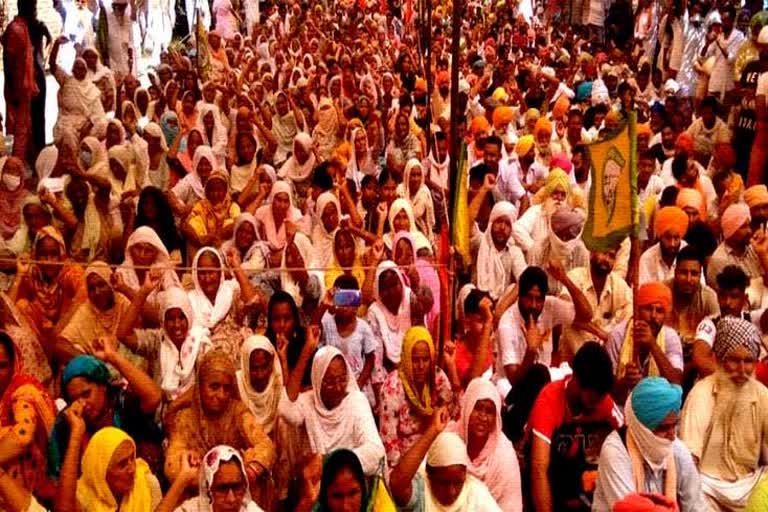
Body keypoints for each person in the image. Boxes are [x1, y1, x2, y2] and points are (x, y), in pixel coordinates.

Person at [164, 350, 275, 503]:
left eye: (227, 388)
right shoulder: (185, 418)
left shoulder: (237, 412)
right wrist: (189, 459)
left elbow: (266, 445)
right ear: (200, 387)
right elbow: (172, 466)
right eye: (214, 387)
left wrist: (249, 469)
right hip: (199, 497)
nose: (221, 395)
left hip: (235, 495)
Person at [681, 317, 768, 510]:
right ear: (719, 360)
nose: (742, 370)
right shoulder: (701, 393)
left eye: (748, 361)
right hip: (708, 488)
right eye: (734, 360)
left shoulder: (762, 395)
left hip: (749, 485)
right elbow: (689, 461)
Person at [528, 342, 623, 512]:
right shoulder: (548, 400)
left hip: (584, 492)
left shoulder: (604, 402)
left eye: (601, 399)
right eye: (593, 400)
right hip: (549, 487)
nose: (597, 405)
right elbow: (538, 470)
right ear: (576, 381)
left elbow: (630, 439)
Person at [592, 377, 705, 512]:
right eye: (663, 428)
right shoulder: (615, 451)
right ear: (641, 427)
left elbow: (697, 507)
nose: (672, 435)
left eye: (674, 426)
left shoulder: (676, 449)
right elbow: (627, 509)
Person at [278, 344, 385, 476]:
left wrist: (327, 461)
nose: (338, 387)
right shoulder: (308, 402)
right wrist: (307, 350)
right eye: (329, 382)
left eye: (342, 379)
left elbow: (375, 451)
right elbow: (285, 409)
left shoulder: (356, 401)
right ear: (317, 380)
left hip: (351, 482)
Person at [496, 262, 594, 387]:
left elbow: (586, 315)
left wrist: (565, 279)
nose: (533, 305)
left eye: (538, 299)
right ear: (519, 296)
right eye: (529, 298)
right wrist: (530, 350)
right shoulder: (507, 324)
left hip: (544, 378)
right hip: (510, 387)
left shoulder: (550, 306)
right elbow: (514, 381)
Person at [389, 412, 502, 511]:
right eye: (444, 483)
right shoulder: (421, 492)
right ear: (429, 475)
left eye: (458, 483)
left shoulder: (475, 494)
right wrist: (433, 430)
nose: (451, 492)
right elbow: (396, 482)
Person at [378, 326, 455, 469]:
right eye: (415, 360)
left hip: (435, 451)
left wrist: (452, 368)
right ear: (406, 357)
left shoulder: (436, 376)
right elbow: (390, 443)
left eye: (425, 359)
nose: (421, 366)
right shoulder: (392, 387)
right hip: (406, 461)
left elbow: (454, 411)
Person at [446, 378, 523, 510]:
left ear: (496, 417)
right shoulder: (448, 438)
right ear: (467, 408)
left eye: (489, 411)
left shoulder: (504, 453)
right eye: (478, 408)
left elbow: (510, 505)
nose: (483, 417)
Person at [0, 332, 55, 506]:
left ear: (13, 365)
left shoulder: (25, 391)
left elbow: (22, 437)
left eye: (1, 366)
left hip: (32, 492)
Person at [606, 282, 684, 403]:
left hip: (657, 408)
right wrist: (625, 382)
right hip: (623, 406)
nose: (653, 316)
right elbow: (607, 390)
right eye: (648, 308)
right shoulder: (618, 335)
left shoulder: (671, 337)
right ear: (637, 311)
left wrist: (652, 344)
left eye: (659, 311)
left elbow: (676, 383)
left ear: (666, 316)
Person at [559, 247, 633, 362]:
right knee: (569, 321)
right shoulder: (576, 276)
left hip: (605, 346)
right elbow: (564, 310)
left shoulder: (617, 283)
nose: (607, 260)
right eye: (604, 253)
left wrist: (611, 331)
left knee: (630, 312)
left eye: (611, 256)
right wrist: (599, 333)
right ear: (592, 253)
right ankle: (592, 362)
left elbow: (631, 309)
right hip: (576, 352)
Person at [159, 444, 266, 512]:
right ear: (208, 489)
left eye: (236, 487)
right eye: (222, 489)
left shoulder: (249, 509)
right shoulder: (194, 509)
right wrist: (183, 478)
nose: (231, 499)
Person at [2, 0, 44, 164]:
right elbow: (7, 60)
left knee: (25, 128)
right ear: (25, 9)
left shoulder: (22, 26)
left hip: (23, 88)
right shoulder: (15, 29)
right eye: (33, 8)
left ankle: (20, 164)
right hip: (16, 89)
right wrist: (13, 89)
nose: (35, 11)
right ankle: (14, 167)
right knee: (17, 130)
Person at [664, 245, 719, 346]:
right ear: (675, 272)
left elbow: (717, 334)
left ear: (700, 275)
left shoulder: (708, 297)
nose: (688, 279)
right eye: (684, 273)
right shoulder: (663, 292)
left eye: (694, 274)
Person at [707, 203, 766, 287]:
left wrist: (763, 254)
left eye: (749, 225)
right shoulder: (719, 260)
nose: (749, 231)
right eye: (743, 227)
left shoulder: (753, 248)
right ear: (731, 231)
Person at [639, 207, 689, 285]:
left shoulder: (689, 254)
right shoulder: (647, 259)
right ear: (660, 236)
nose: (672, 243)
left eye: (676, 238)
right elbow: (642, 290)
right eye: (668, 237)